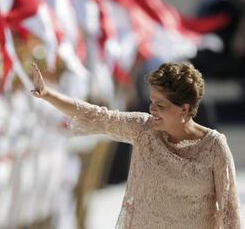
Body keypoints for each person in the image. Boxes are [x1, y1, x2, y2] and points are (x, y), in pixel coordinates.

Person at [31, 62, 241, 228]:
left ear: (184, 109)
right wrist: (49, 95)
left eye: (161, 105)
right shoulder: (143, 129)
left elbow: (230, 212)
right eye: (152, 102)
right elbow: (98, 116)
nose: (152, 110)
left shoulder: (215, 147)